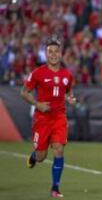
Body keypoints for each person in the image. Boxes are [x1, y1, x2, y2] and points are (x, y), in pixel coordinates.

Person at [20, 37, 76, 198]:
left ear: (61, 53)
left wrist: (70, 98)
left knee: (59, 149)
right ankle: (34, 156)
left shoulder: (67, 75)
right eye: (50, 51)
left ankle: (55, 187)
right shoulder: (38, 73)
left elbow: (67, 92)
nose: (53, 54)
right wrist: (37, 105)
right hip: (42, 119)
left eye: (56, 51)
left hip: (59, 117)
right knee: (41, 156)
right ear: (45, 54)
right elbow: (23, 92)